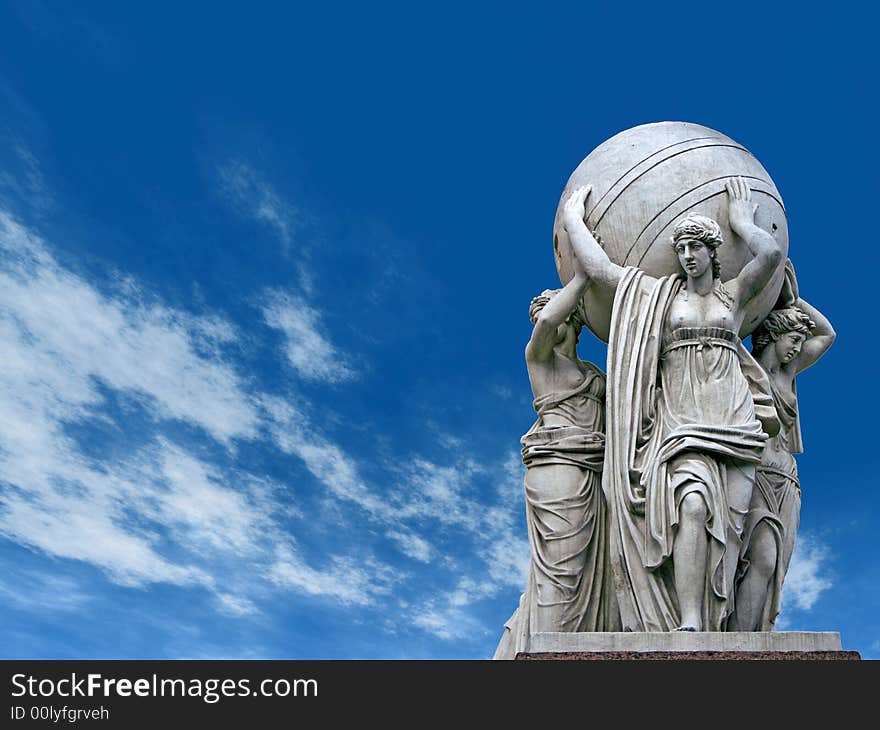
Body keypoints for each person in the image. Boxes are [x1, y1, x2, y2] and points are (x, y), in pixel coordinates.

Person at [561, 177, 781, 631]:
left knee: (731, 531)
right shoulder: (658, 298)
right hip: (680, 419)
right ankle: (690, 619)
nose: (686, 256)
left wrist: (742, 222)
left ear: (711, 252)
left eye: (694, 247)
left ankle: (721, 623)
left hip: (734, 419)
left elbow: (772, 255)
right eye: (680, 248)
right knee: (693, 507)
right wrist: (572, 220)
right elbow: (603, 271)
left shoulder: (733, 295)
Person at [494, 261, 616, 659]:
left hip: (596, 475)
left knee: (591, 569)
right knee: (561, 568)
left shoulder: (593, 371)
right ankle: (548, 649)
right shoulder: (539, 359)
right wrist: (583, 277)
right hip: (559, 472)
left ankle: (578, 646)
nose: (547, 322)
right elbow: (546, 323)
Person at [729, 288, 835, 630]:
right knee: (759, 556)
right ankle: (740, 641)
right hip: (753, 473)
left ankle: (757, 635)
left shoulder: (787, 375)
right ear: (772, 335)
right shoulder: (741, 368)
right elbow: (727, 328)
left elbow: (827, 334)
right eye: (792, 338)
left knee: (777, 567)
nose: (796, 348)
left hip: (787, 478)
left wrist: (793, 297)